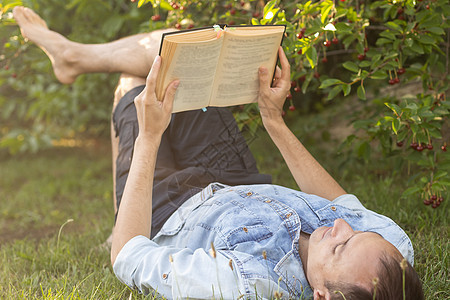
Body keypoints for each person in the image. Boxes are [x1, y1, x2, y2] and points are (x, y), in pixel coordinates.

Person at [13, 6, 424, 300]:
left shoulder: (245, 285)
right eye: (355, 233)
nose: (340, 227)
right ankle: (72, 58)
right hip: (236, 176)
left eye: (338, 248)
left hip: (168, 208)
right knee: (176, 51)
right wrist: (274, 122)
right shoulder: (391, 257)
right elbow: (341, 204)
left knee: (134, 86)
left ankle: (72, 60)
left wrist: (150, 138)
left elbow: (129, 258)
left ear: (321, 296)